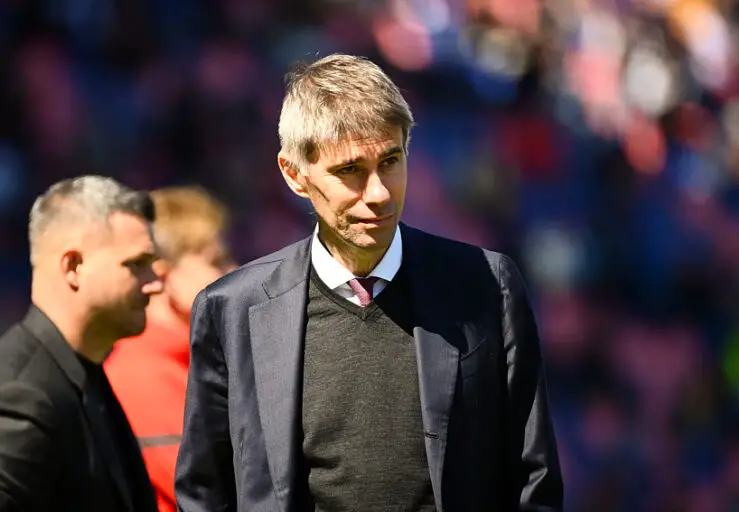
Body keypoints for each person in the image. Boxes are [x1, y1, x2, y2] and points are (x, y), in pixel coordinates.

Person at [176, 54, 563, 512]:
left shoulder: (487, 285)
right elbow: (204, 493)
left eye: (391, 161)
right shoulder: (232, 310)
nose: (378, 193)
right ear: (294, 174)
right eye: (351, 170)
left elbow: (533, 481)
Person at [0, 175, 162, 512]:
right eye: (137, 265)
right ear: (73, 267)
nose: (155, 284)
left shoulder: (82, 372)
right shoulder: (22, 395)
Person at [105, 185, 234, 512]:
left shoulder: (190, 361)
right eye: (216, 261)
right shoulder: (140, 374)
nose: (234, 271)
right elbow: (214, 493)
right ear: (162, 274)